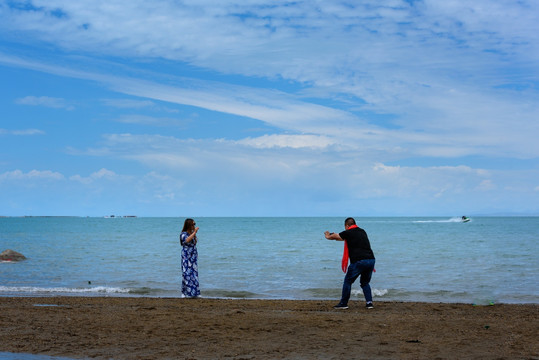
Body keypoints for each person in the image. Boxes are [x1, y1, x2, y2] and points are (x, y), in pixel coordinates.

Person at [325, 217, 376, 310]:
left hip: (359, 261)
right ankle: (369, 303)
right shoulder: (362, 231)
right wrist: (335, 235)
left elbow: (336, 236)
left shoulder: (348, 232)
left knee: (348, 281)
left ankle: (344, 303)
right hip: (371, 260)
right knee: (365, 282)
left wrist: (328, 235)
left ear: (347, 226)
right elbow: (342, 238)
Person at [179, 218, 200, 298]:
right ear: (188, 225)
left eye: (194, 224)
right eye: (192, 224)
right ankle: (184, 292)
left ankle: (195, 293)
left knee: (194, 273)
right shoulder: (183, 234)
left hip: (192, 256)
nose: (194, 226)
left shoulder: (191, 233)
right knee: (186, 273)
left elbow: (194, 243)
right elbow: (187, 240)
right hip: (186, 256)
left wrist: (193, 233)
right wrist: (194, 232)